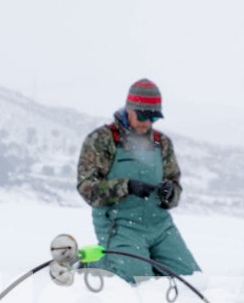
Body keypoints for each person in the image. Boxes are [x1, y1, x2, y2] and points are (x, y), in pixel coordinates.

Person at [76, 78, 200, 283]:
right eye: (142, 116)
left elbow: (175, 184)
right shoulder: (102, 140)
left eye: (153, 118)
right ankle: (92, 263)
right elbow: (87, 188)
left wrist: (170, 192)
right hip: (119, 225)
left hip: (159, 226)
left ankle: (142, 259)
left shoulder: (162, 143)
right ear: (129, 108)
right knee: (139, 278)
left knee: (189, 279)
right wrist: (126, 186)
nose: (147, 123)